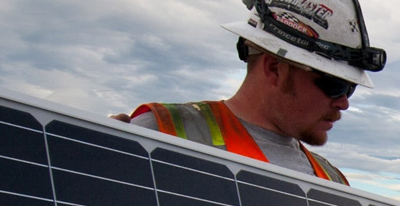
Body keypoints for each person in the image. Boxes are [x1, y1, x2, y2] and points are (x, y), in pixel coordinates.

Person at [126, 0, 386, 185]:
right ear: (275, 69)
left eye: (350, 88)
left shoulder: (332, 182)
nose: (343, 103)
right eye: (335, 85)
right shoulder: (159, 133)